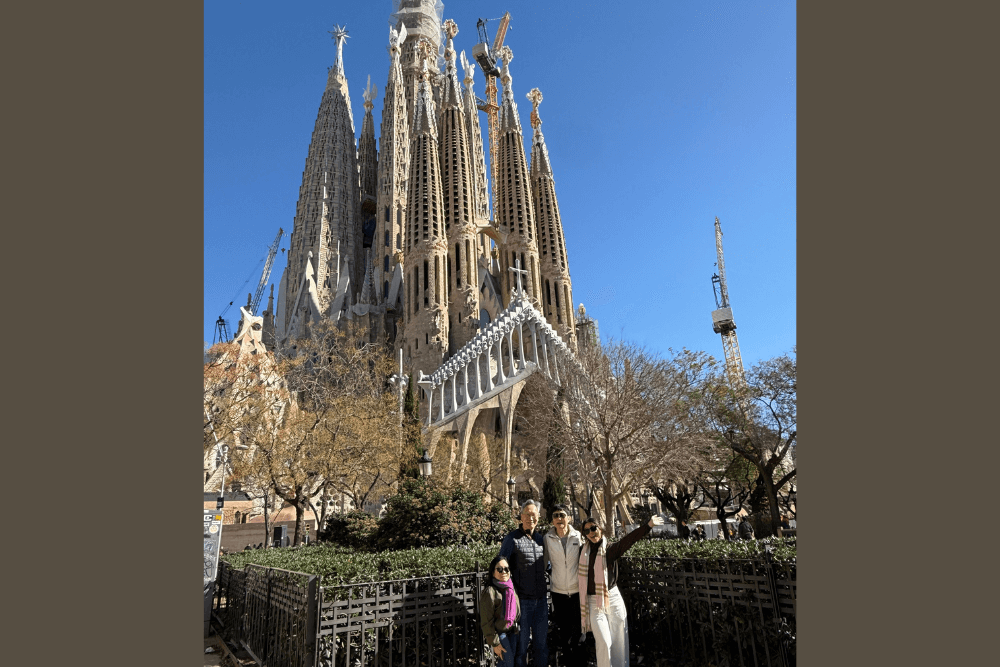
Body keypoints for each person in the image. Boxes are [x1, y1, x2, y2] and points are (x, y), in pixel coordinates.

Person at [579, 513, 665, 667]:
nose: (591, 533)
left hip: (612, 597)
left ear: (600, 528)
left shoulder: (609, 549)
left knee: (620, 641)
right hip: (593, 601)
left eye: (593, 528)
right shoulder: (582, 552)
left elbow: (629, 540)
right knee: (604, 642)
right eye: (586, 531)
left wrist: (648, 525)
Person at [499, 499, 548, 667]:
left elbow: (547, 566)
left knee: (541, 646)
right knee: (521, 648)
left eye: (533, 514)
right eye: (526, 514)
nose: (530, 518)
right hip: (522, 603)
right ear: (521, 517)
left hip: (541, 602)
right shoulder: (512, 539)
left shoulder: (541, 540)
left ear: (538, 517)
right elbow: (501, 568)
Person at [544, 504, 585, 666]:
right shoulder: (547, 538)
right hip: (558, 592)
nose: (559, 518)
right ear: (552, 520)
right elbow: (544, 562)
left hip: (577, 592)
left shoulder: (578, 536)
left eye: (562, 515)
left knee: (580, 633)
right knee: (565, 633)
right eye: (555, 516)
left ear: (568, 518)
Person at [479, 555, 520, 667]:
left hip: (512, 631)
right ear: (493, 572)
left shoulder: (511, 588)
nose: (504, 572)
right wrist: (495, 642)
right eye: (499, 569)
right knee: (509, 662)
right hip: (499, 634)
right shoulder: (490, 592)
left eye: (506, 569)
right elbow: (486, 620)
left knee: (506, 663)